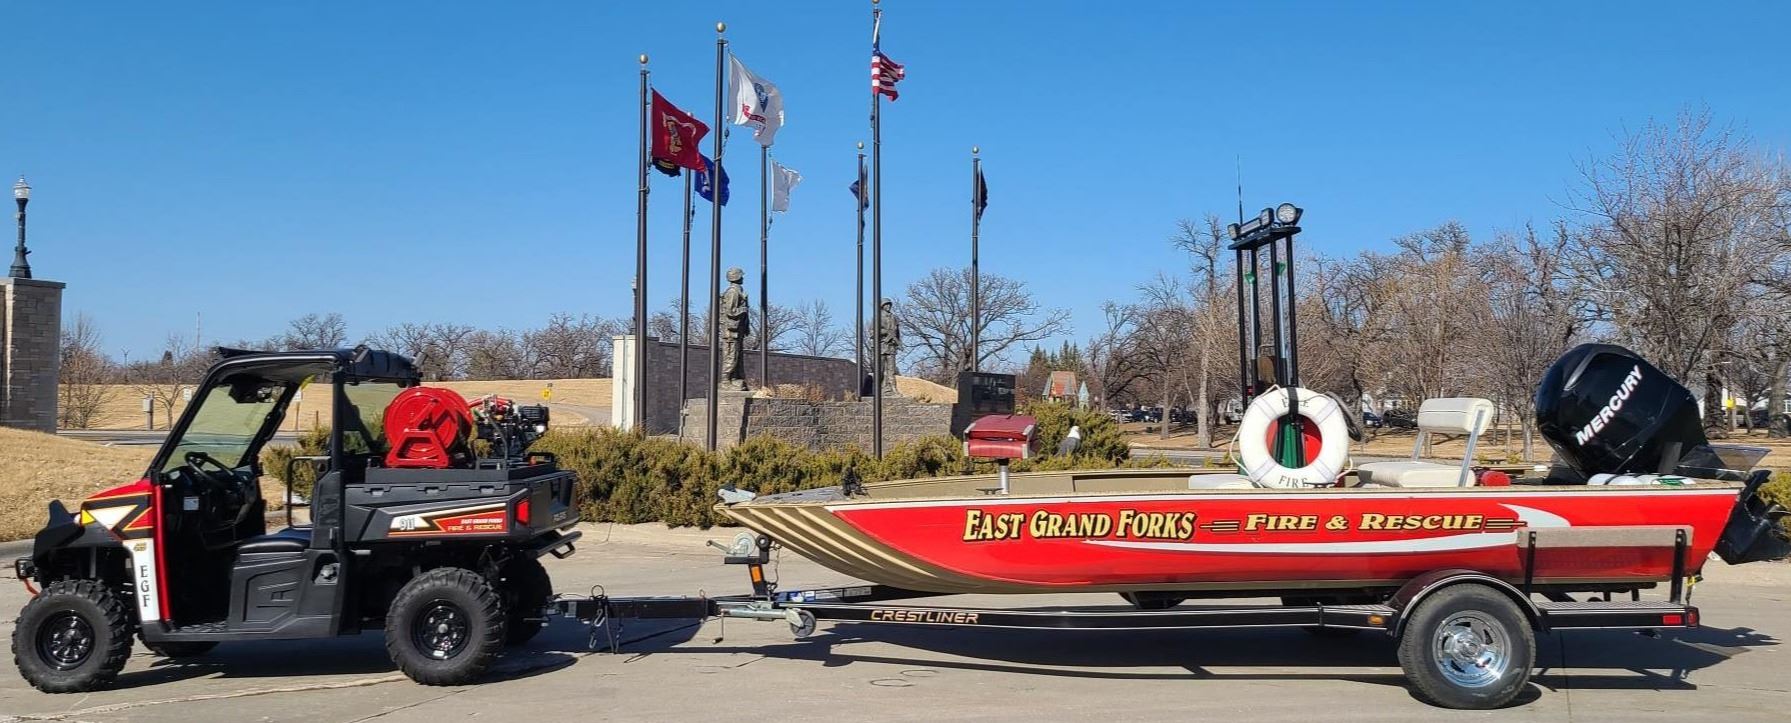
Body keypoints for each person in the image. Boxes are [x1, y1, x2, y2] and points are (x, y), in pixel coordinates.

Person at [719, 267, 750, 390]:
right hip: (731, 332)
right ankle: (726, 380)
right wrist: (744, 309)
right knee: (731, 356)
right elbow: (730, 311)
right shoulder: (733, 292)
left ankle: (734, 378)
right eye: (741, 276)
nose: (743, 278)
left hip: (738, 331)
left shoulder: (738, 291)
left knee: (737, 356)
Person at [877, 298, 900, 392]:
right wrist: (885, 332)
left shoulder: (894, 318)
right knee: (880, 369)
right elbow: (872, 331)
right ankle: (879, 388)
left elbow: (897, 332)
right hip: (882, 345)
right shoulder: (878, 317)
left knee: (892, 369)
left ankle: (893, 388)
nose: (888, 307)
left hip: (891, 346)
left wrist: (897, 341)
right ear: (882, 306)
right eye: (886, 305)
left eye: (889, 305)